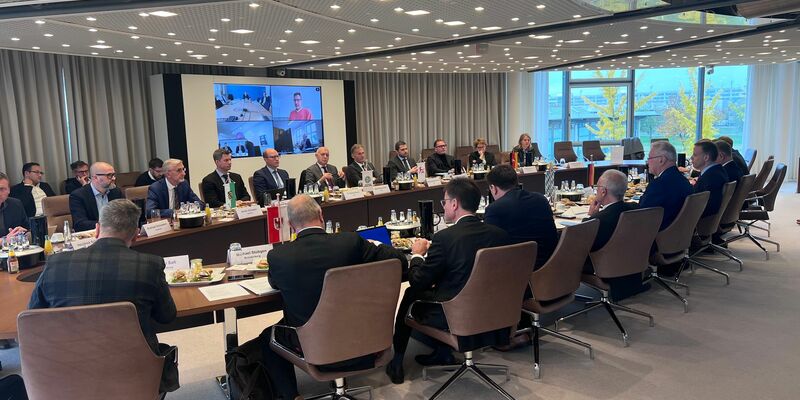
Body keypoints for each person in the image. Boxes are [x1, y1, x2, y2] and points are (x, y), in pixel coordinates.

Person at [261, 194, 407, 400]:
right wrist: (375, 243)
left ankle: (291, 396)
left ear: (291, 225)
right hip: (365, 341)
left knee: (269, 335)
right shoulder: (350, 242)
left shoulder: (278, 256)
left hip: (313, 347)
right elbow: (399, 261)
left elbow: (274, 284)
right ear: (321, 215)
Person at [29, 199, 177, 392]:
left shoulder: (56, 263)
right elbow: (167, 316)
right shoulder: (150, 265)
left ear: (97, 229)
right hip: (133, 370)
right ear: (136, 235)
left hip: (67, 368)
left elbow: (34, 316)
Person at [385, 178, 511, 384]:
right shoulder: (500, 235)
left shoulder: (445, 238)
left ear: (455, 204)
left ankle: (396, 362)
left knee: (410, 293)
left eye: (444, 202)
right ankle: (442, 352)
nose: (443, 206)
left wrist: (417, 255)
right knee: (447, 285)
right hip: (494, 310)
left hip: (455, 315)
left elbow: (419, 282)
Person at [582, 170, 645, 300]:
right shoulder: (635, 209)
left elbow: (584, 247)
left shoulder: (597, 221)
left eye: (597, 188)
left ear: (603, 191)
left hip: (606, 268)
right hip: (633, 265)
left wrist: (591, 217)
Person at [484, 165, 557, 269]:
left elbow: (489, 247)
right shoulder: (541, 199)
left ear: (493, 188)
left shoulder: (495, 209)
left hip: (519, 270)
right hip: (550, 264)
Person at [638, 141, 693, 230]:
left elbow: (641, 213)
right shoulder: (683, 180)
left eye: (649, 158)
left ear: (661, 160)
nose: (647, 162)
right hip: (679, 234)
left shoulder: (659, 185)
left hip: (658, 237)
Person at [69, 162, 124, 231]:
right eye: (109, 175)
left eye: (113, 175)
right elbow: (80, 224)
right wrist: (108, 225)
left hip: (116, 232)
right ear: (95, 178)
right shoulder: (78, 195)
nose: (113, 178)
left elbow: (124, 215)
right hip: (93, 235)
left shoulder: (116, 192)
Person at [691, 140, 729, 218]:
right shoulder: (718, 170)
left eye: (695, 155)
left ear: (706, 157)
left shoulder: (710, 178)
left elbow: (699, 204)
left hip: (701, 220)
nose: (691, 158)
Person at [0, 172, 28, 240]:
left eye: (1, 189)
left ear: (9, 190)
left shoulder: (16, 204)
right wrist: (4, 240)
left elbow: (27, 228)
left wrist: (22, 232)